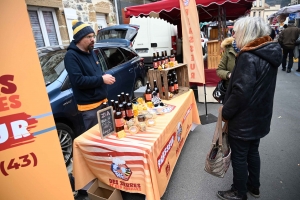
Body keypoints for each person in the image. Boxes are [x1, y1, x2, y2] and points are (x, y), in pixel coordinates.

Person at [217, 16, 282, 200]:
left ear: (246, 33)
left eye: (236, 32)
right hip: (259, 117)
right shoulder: (268, 53)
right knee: (253, 152)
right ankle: (254, 187)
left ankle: (239, 192)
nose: (234, 35)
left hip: (243, 119)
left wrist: (226, 113)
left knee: (239, 156)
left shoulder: (248, 56)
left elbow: (240, 93)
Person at [64, 20, 116, 131]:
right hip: (90, 108)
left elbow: (97, 71)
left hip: (103, 102)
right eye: (89, 37)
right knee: (96, 140)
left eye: (93, 36)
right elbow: (78, 81)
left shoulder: (91, 51)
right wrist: (102, 79)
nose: (93, 39)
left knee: (109, 134)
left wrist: (103, 76)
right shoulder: (71, 56)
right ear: (79, 39)